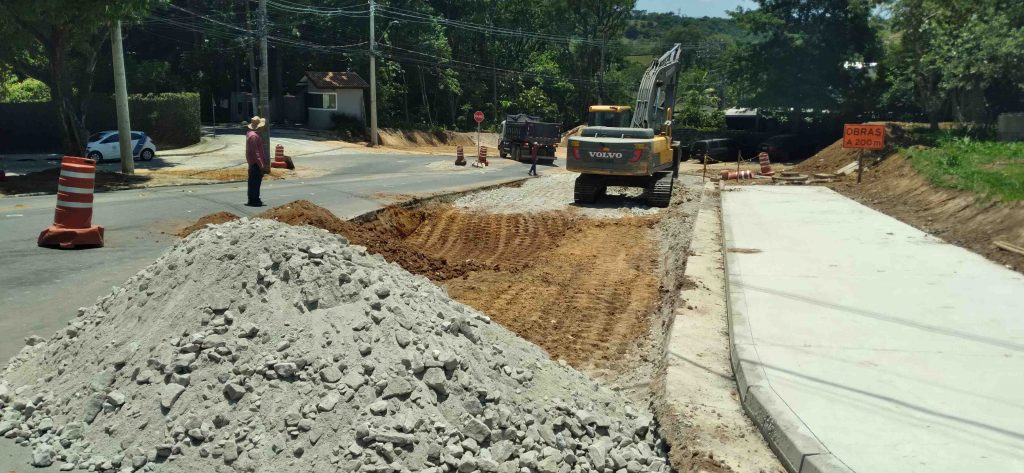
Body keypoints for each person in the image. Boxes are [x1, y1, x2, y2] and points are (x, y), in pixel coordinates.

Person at [245, 116, 266, 206]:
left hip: (253, 162)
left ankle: (254, 198)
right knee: (255, 182)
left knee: (253, 182)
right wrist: (261, 164)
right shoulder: (254, 136)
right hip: (255, 163)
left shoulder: (251, 134)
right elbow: (255, 152)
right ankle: (254, 200)